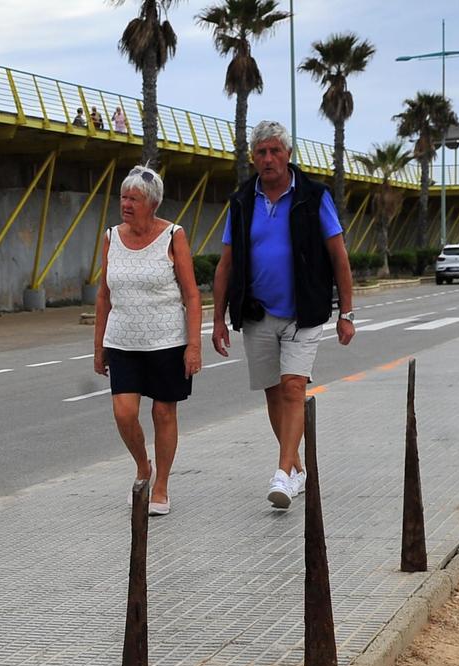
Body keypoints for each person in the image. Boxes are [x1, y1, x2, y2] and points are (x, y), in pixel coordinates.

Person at [210, 120, 356, 509]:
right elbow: (225, 264)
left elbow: (338, 255)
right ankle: (296, 466)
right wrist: (218, 319)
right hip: (257, 313)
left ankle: (282, 472)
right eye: (262, 152)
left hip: (303, 312)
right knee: (274, 392)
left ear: (289, 154)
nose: (269, 158)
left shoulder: (313, 196)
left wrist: (348, 312)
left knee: (294, 387)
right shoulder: (241, 201)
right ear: (253, 159)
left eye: (276, 150)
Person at [92, 166, 201, 516]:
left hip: (167, 341)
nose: (126, 204)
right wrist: (99, 346)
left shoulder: (173, 235)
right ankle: (143, 466)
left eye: (134, 198)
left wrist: (193, 345)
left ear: (151, 204)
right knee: (124, 413)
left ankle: (162, 486)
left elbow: (191, 295)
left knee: (163, 412)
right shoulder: (111, 236)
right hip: (123, 342)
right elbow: (103, 296)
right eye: (124, 197)